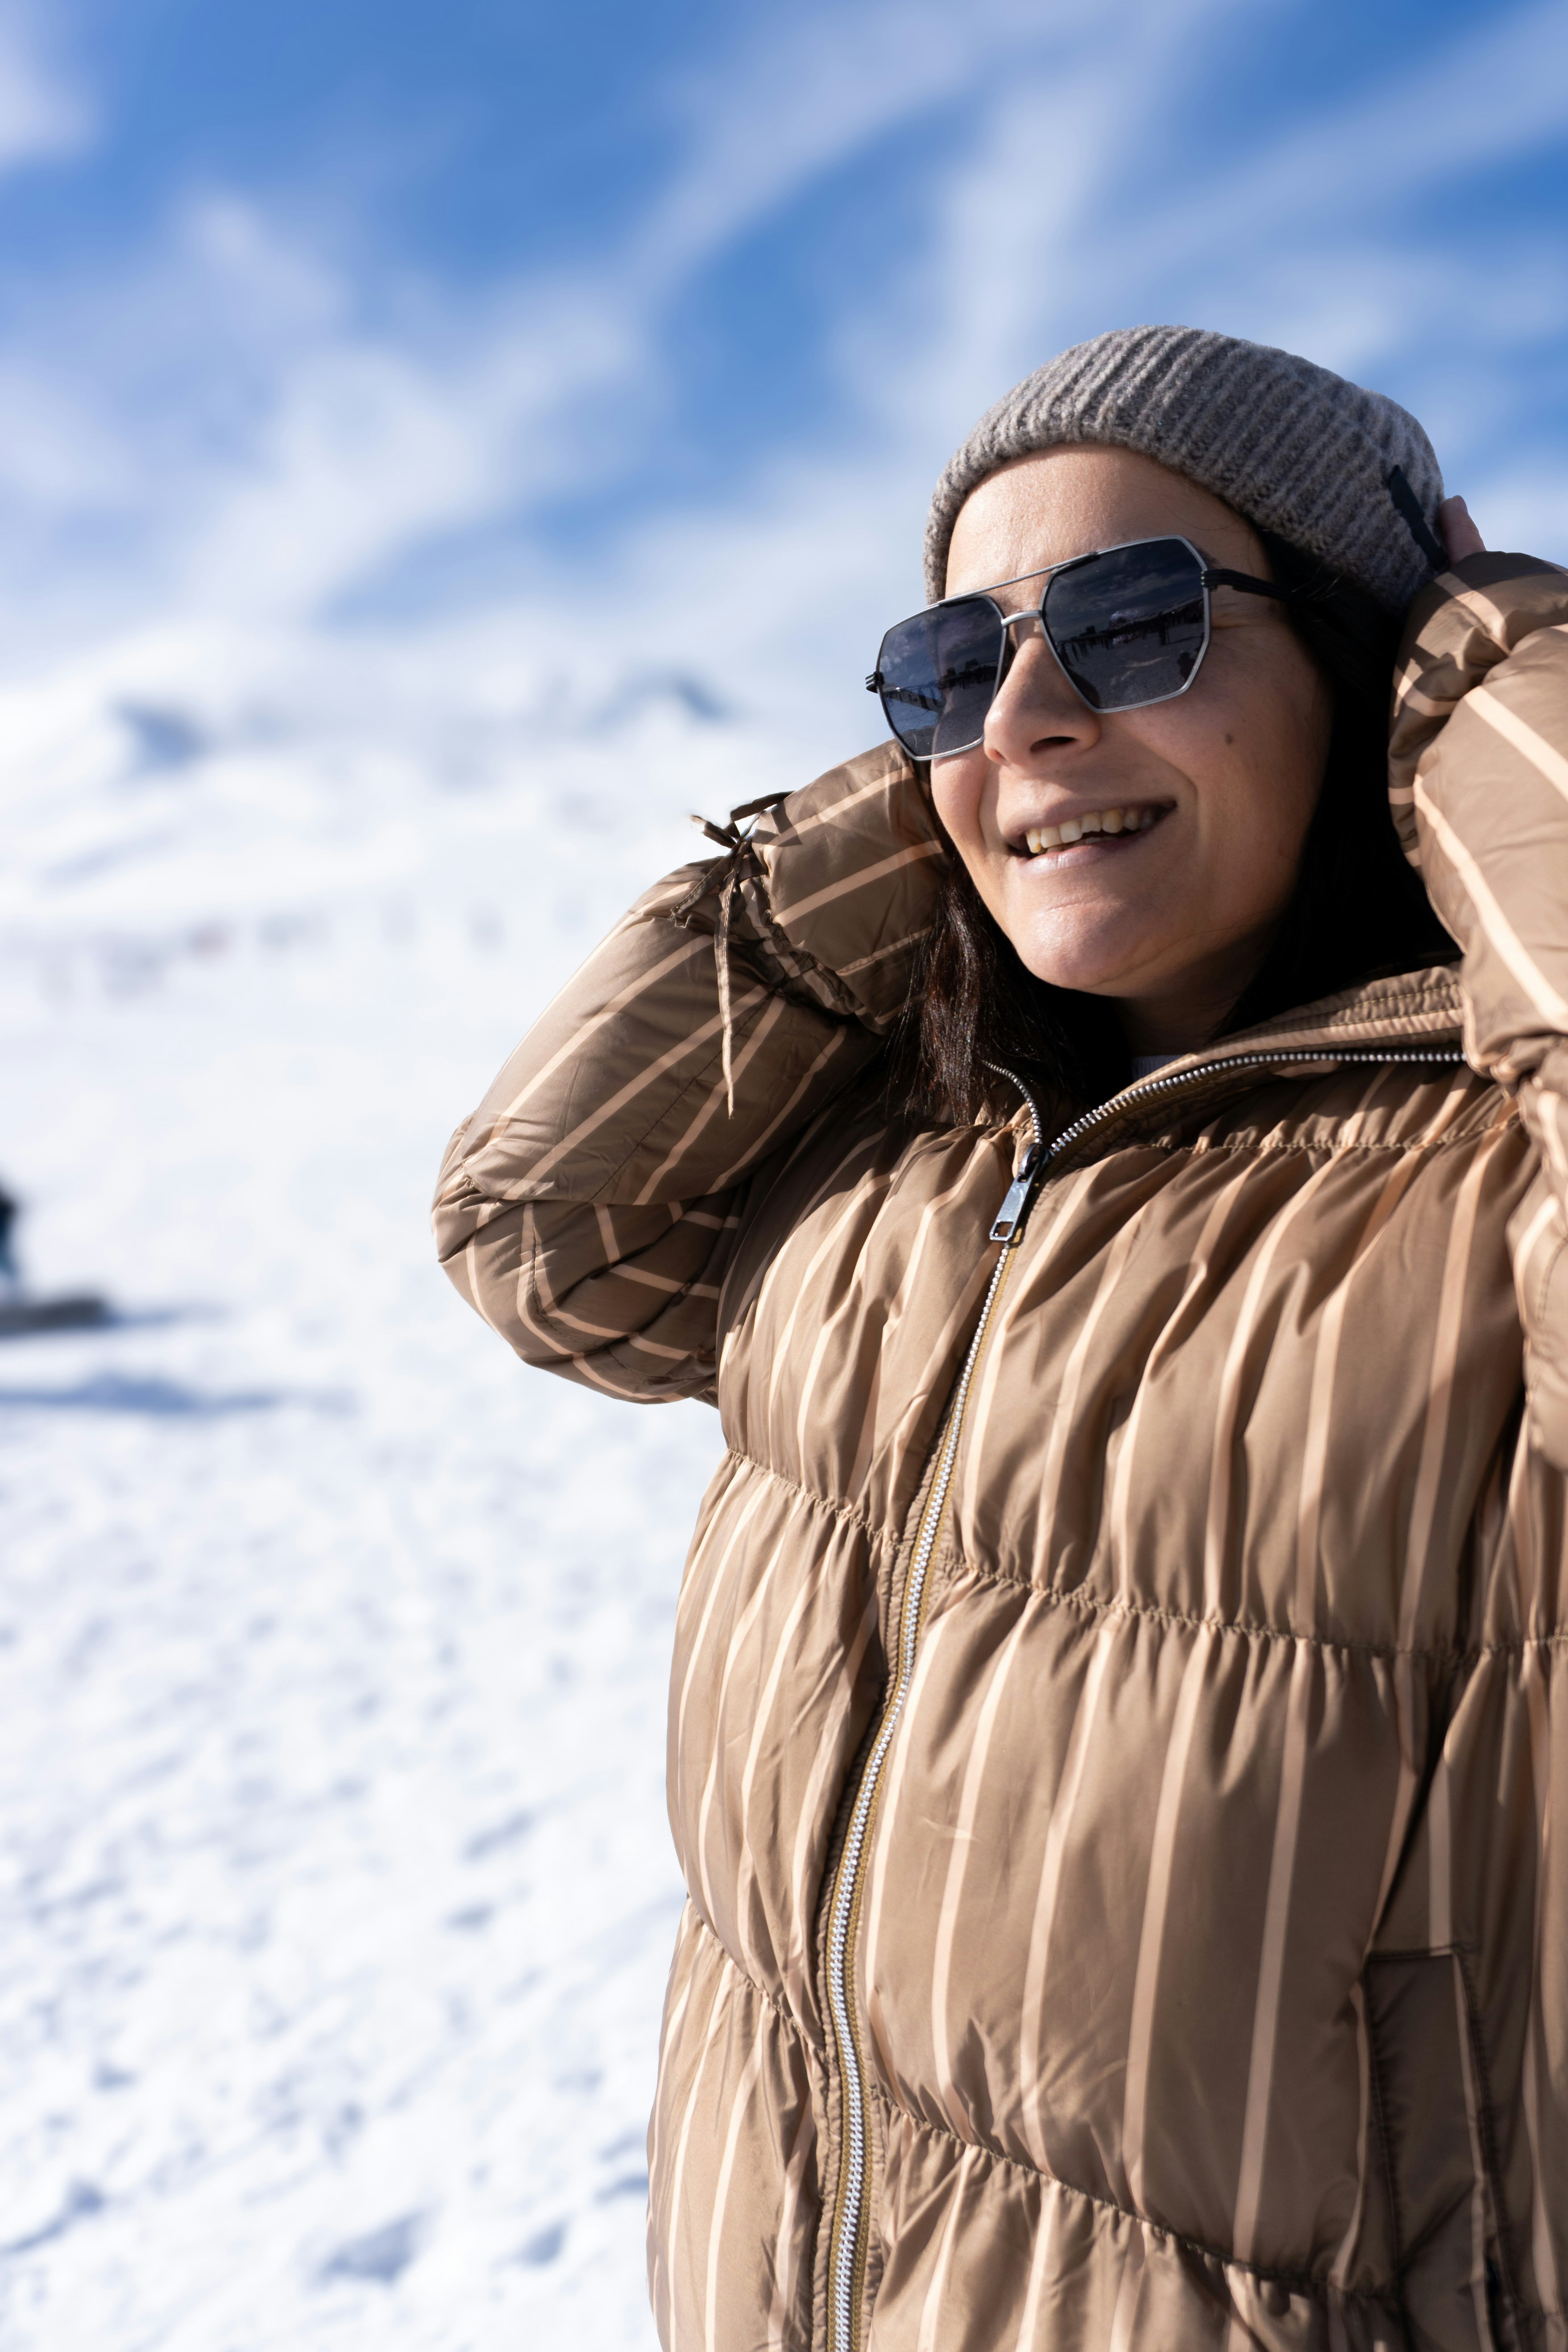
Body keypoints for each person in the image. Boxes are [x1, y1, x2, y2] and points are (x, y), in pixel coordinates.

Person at [434, 325, 1568, 2351]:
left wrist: (1505, 677)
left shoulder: (1494, 1187)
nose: (1030, 708)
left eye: (1138, 620)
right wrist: (948, 812)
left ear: (1370, 655)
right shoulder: (898, 1163)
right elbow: (546, 1233)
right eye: (957, 661)